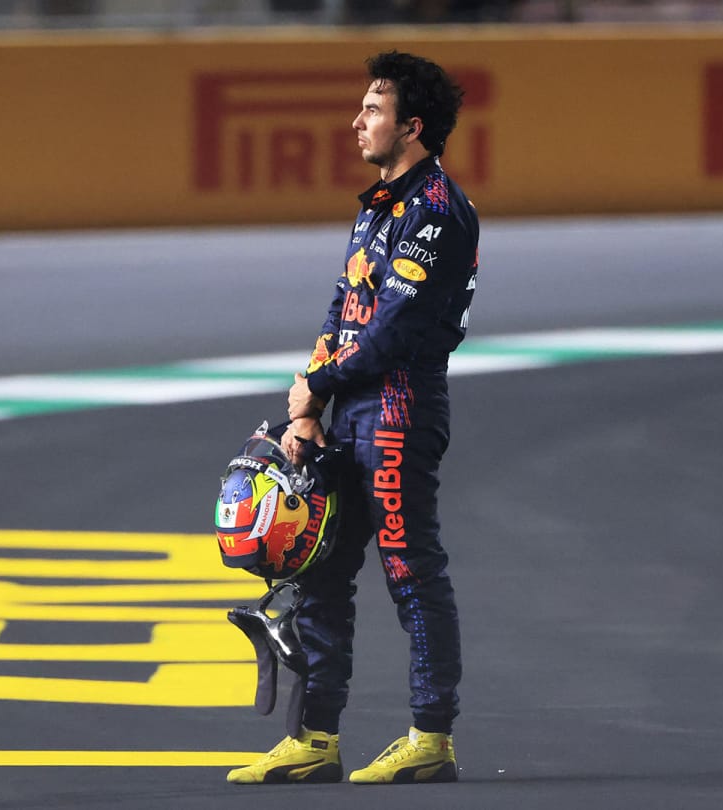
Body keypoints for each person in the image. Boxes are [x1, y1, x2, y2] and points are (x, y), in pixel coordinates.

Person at [227, 49, 479, 786]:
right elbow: (344, 313)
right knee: (317, 568)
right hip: (350, 411)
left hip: (400, 410)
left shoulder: (438, 210)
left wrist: (320, 384)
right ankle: (315, 739)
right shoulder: (378, 208)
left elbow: (394, 329)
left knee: (410, 568)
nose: (356, 121)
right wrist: (308, 406)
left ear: (412, 127)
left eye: (372, 109)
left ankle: (431, 737)